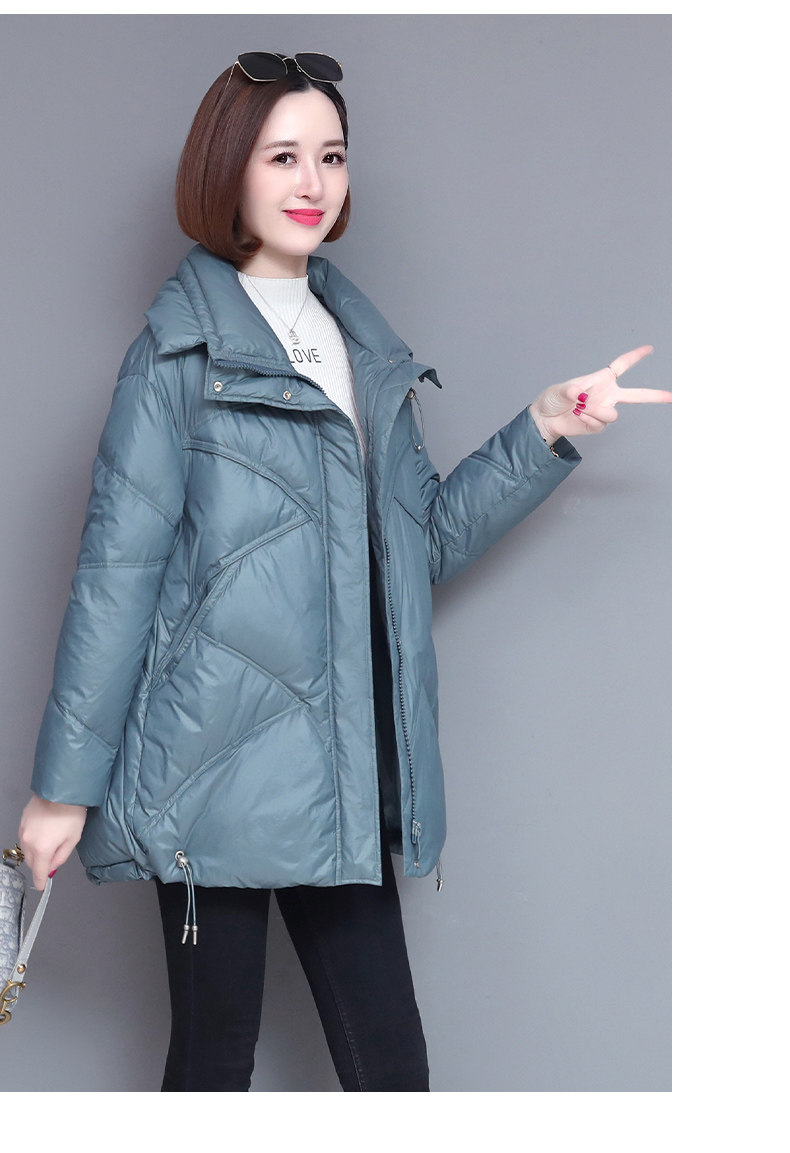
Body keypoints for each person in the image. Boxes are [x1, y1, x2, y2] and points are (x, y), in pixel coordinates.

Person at [16, 52, 671, 1092]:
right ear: (228, 169)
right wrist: (62, 790)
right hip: (204, 774)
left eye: (331, 155)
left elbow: (414, 550)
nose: (312, 182)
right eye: (282, 156)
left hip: (338, 775)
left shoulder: (364, 352)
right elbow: (115, 580)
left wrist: (542, 430)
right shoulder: (175, 358)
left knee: (391, 1072)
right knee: (212, 1065)